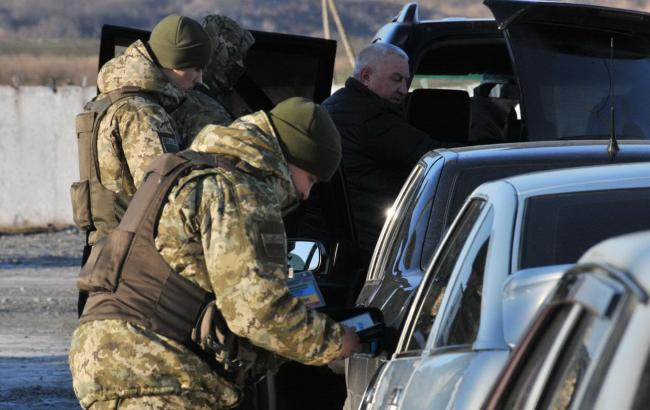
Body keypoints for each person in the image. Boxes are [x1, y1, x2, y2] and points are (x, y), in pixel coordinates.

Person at [69, 97, 361, 409]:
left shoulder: (187, 170)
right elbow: (256, 311)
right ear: (290, 158)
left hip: (105, 358)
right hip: (160, 368)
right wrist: (336, 342)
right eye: (310, 179)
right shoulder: (243, 190)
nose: (305, 194)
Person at [71, 14, 212, 246]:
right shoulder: (143, 113)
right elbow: (164, 196)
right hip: (135, 253)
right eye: (195, 69)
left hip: (107, 247)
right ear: (175, 64)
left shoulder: (112, 100)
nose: (199, 79)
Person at [321, 43, 442, 256]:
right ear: (366, 76)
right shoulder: (370, 116)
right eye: (396, 79)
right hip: (373, 246)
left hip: (337, 241)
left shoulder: (333, 105)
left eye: (406, 81)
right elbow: (437, 158)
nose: (404, 90)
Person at [172, 15, 255, 146]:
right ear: (220, 54)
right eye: (237, 56)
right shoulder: (207, 110)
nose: (240, 64)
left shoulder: (181, 92)